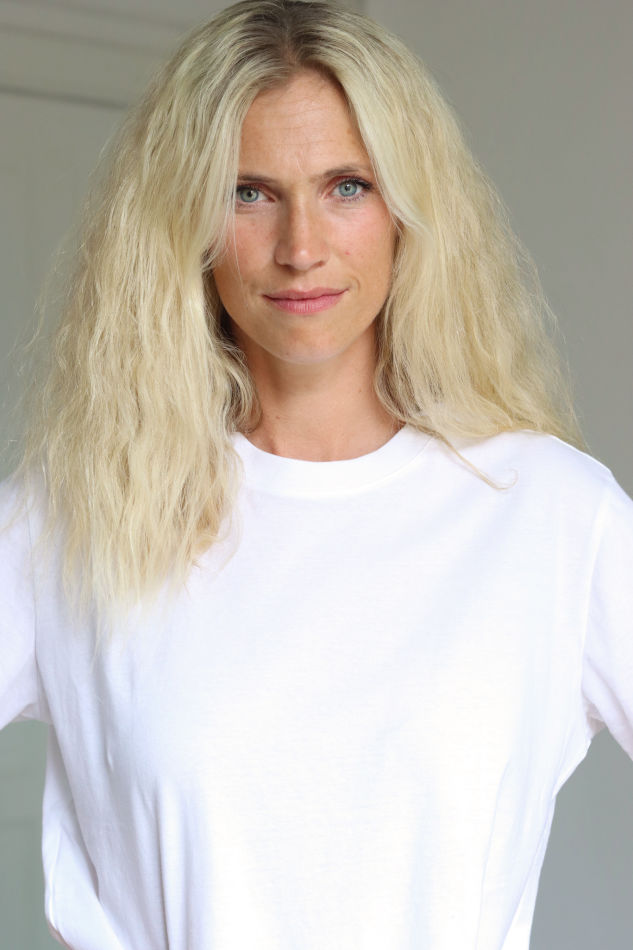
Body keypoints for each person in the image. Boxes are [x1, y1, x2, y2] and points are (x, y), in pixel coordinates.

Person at [1, 0, 631, 947]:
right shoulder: (81, 516)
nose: (300, 248)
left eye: (346, 186)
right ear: (185, 219)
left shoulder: (549, 514)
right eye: (248, 192)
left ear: (408, 209)